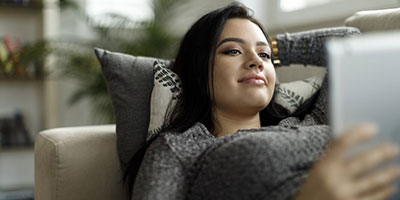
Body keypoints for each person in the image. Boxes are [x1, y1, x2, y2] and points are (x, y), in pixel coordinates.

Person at [125, 3, 400, 200]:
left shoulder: (309, 121)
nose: (256, 61)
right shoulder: (180, 148)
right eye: (232, 51)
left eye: (264, 56)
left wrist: (273, 48)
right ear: (198, 69)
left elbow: (348, 41)